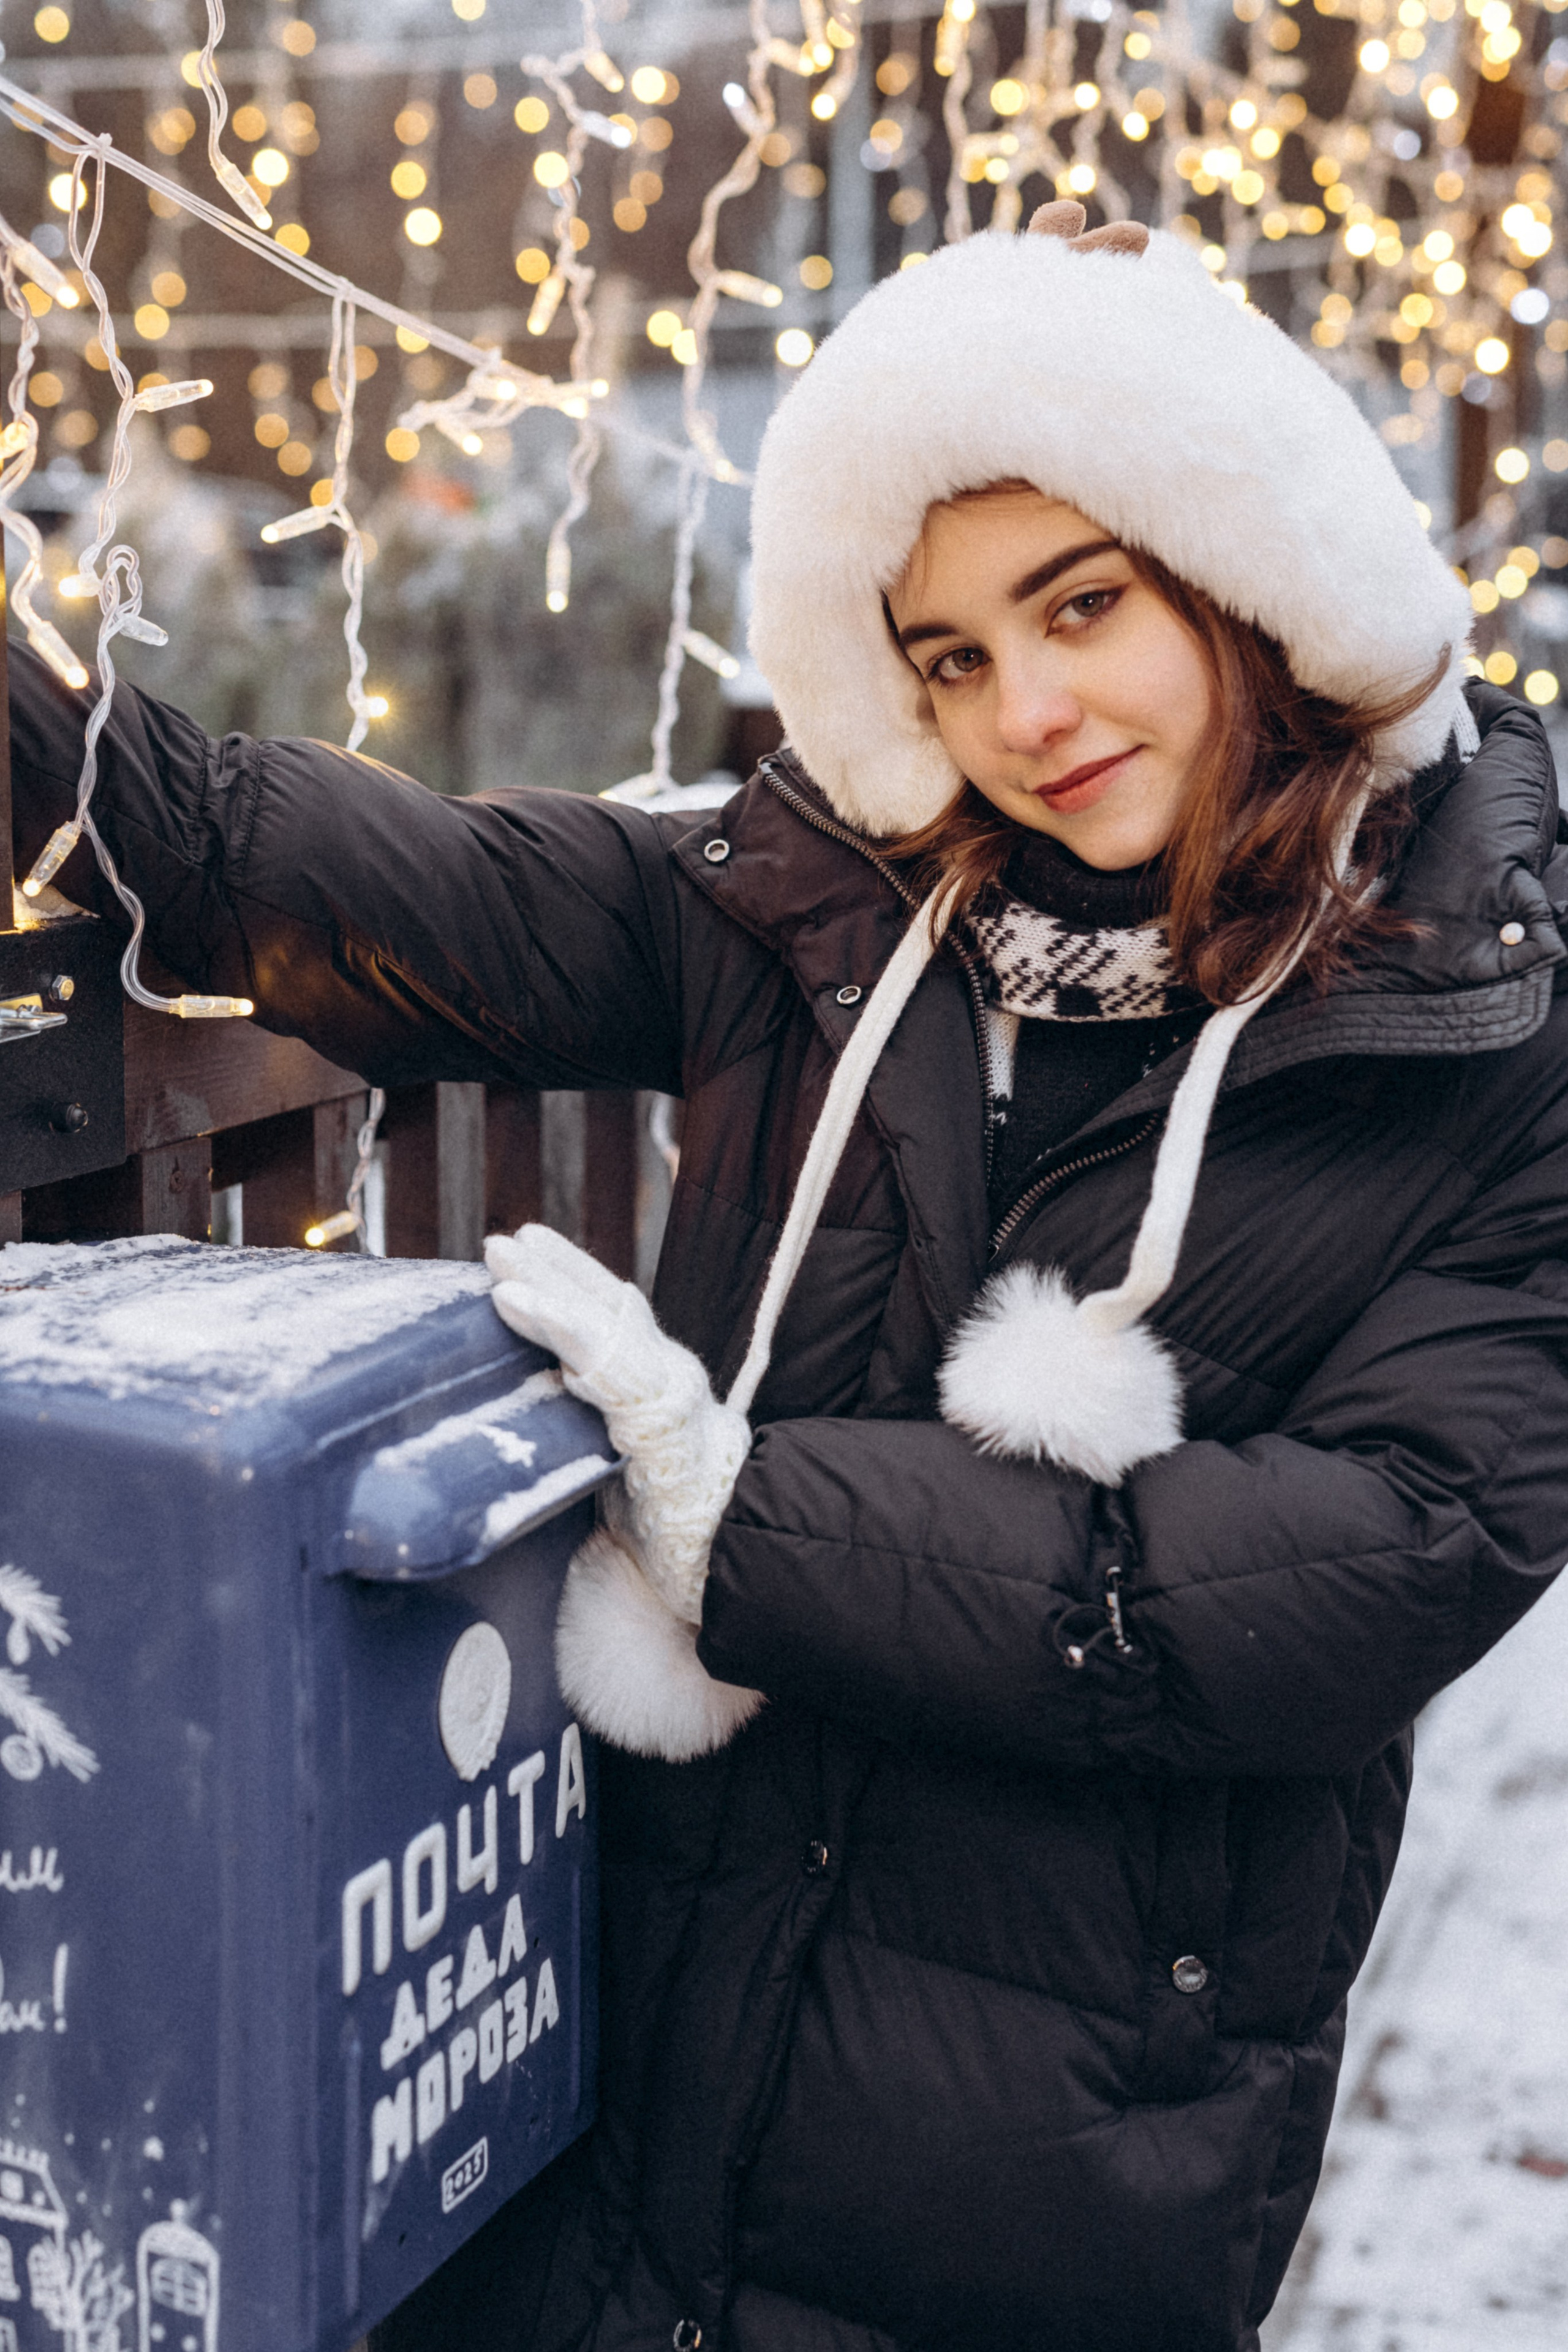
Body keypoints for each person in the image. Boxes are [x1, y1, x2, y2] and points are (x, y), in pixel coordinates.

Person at [9, 203, 1568, 2352]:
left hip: (1040, 2180)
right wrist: (59, 734)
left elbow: (1379, 1562)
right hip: (638, 2055)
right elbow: (356, 877)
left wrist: (740, 1515)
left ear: (1240, 572)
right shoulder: (832, 917)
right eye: (948, 656)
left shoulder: (1478, 1017)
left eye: (1081, 605)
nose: (1027, 710)